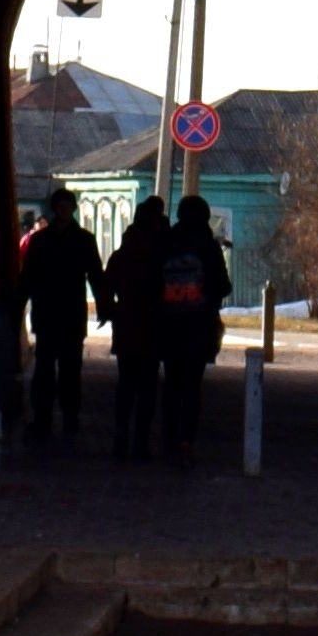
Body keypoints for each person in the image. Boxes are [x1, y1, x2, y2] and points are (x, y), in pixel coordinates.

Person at [17, 189, 107, 448]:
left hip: (69, 314)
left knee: (70, 371)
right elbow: (28, 277)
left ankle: (69, 417)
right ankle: (43, 418)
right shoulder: (41, 240)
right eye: (61, 205)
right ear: (56, 208)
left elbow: (95, 275)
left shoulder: (83, 240)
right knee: (44, 370)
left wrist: (103, 306)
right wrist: (18, 306)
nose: (64, 210)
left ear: (73, 208)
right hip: (48, 313)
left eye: (68, 205)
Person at [157, 185, 234, 459]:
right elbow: (224, 286)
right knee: (192, 386)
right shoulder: (208, 245)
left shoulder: (167, 241)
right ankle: (188, 439)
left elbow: (153, 283)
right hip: (199, 327)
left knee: (171, 384)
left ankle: (168, 437)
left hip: (169, 325)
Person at [104, 193, 177, 459]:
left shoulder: (122, 255)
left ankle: (120, 436)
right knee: (148, 387)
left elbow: (105, 288)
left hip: (126, 328)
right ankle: (140, 442)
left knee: (126, 385)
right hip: (154, 328)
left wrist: (113, 312)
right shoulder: (162, 254)